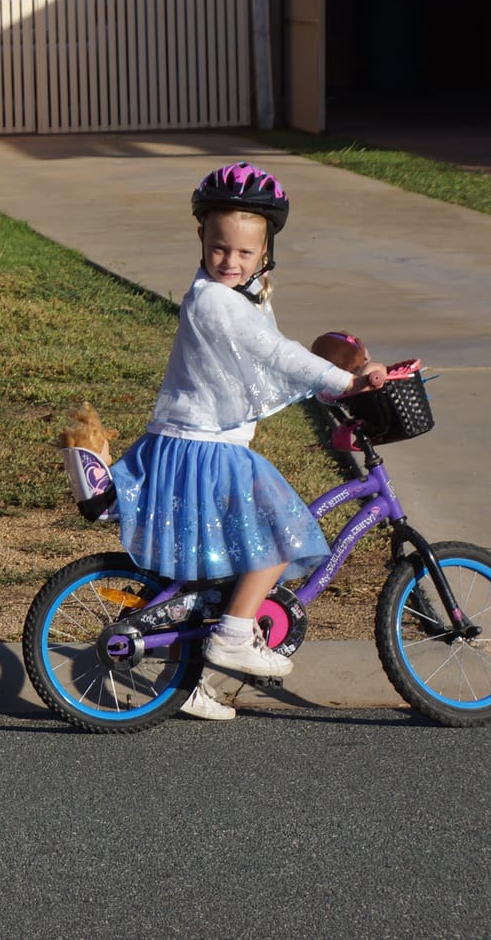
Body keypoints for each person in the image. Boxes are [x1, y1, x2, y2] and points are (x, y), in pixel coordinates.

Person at [105, 162, 387, 721]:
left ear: (265, 254)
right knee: (284, 532)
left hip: (202, 444)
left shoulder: (245, 297)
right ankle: (234, 635)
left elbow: (269, 360)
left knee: (224, 570)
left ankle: (189, 682)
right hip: (202, 448)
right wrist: (345, 382)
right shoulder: (213, 301)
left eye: (243, 253)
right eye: (219, 248)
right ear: (202, 241)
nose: (230, 261)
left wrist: (331, 389)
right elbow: (275, 355)